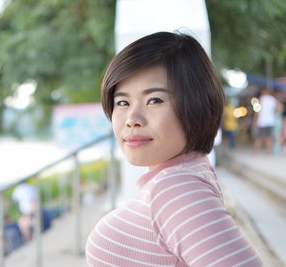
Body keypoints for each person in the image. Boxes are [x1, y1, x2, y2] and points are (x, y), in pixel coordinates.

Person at [85, 32, 262, 266]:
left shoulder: (176, 188)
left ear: (195, 104)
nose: (132, 119)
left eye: (154, 100)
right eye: (123, 102)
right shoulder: (186, 175)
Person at [253, 88, 277, 154]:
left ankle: (255, 152)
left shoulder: (261, 99)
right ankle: (268, 152)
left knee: (258, 137)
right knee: (268, 137)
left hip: (262, 121)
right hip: (270, 121)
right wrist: (273, 114)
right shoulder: (273, 99)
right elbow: (279, 108)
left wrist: (255, 120)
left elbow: (257, 111)